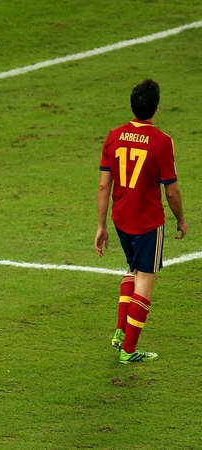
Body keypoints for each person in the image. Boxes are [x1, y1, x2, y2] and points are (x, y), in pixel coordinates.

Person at [94, 79, 187, 364]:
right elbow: (170, 190)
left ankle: (120, 333)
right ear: (156, 108)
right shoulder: (161, 141)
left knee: (133, 271)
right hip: (147, 221)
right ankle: (129, 351)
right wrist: (181, 219)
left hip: (121, 219)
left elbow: (103, 187)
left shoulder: (114, 135)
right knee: (145, 279)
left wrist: (101, 226)